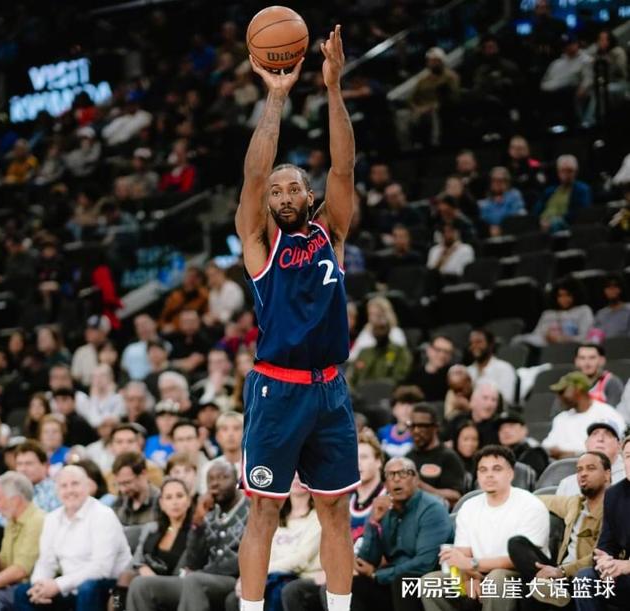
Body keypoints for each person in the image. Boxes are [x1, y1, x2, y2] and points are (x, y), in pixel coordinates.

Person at [235, 25, 360, 611]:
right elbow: (253, 175)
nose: (283, 195)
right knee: (264, 509)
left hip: (330, 389)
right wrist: (276, 97)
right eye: (277, 191)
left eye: (294, 189)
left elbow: (344, 168)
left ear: (309, 198)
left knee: (335, 509)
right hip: (277, 390)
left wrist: (332, 88)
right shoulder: (259, 244)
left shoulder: (330, 231)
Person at [420, 446, 550, 611]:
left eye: (497, 469)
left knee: (496, 579)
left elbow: (519, 559)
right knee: (430, 582)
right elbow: (462, 554)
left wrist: (472, 565)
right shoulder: (469, 506)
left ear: (511, 473)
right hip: (476, 572)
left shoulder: (530, 505)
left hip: (521, 576)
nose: (489, 475)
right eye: (483, 470)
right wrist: (469, 577)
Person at [126, 462, 249, 611]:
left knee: (194, 580)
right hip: (201, 578)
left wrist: (206, 571)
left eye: (223, 477)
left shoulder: (250, 511)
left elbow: (245, 559)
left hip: (235, 579)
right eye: (211, 479)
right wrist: (197, 522)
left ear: (237, 480)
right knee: (141, 585)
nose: (216, 483)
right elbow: (193, 561)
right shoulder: (209, 514)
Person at [14, 466, 131, 610]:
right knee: (23, 592)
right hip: (70, 588)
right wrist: (39, 585)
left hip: (111, 588)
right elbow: (46, 562)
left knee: (88, 588)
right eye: (64, 486)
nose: (69, 490)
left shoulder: (103, 515)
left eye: (75, 484)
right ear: (57, 491)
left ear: (87, 486)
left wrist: (58, 585)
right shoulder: (52, 519)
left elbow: (101, 569)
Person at [508, 451, 610, 608]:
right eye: (579, 470)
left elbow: (602, 555)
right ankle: (551, 589)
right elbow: (538, 499)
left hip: (583, 577)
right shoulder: (575, 503)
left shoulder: (613, 508)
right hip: (558, 574)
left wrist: (562, 571)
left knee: (530, 591)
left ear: (607, 474)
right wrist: (508, 497)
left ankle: (556, 593)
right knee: (517, 543)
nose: (583, 474)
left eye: (591, 468)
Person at [352, 457, 453, 611]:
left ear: (416, 479)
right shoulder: (384, 509)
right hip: (391, 581)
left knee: (403, 582)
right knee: (354, 585)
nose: (396, 479)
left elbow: (425, 564)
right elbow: (367, 560)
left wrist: (377, 575)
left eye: (403, 473)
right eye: (391, 475)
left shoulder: (432, 509)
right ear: (386, 484)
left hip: (426, 581)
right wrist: (373, 522)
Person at [225, 474, 322, 611]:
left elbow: (301, 559)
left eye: (301, 472)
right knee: (234, 599)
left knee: (281, 592)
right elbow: (263, 551)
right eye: (293, 472)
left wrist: (260, 571)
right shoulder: (275, 516)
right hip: (271, 576)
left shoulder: (319, 517)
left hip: (301, 578)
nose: (296, 477)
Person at [111, 477, 192, 610]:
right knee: (124, 578)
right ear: (162, 503)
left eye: (179, 496)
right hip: (143, 580)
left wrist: (153, 580)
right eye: (169, 497)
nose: (175, 502)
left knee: (139, 584)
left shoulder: (194, 533)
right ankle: (116, 607)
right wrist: (142, 568)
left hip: (174, 584)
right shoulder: (151, 529)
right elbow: (135, 562)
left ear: (188, 500)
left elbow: (185, 573)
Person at [0, 472, 45, 611]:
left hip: (32, 588)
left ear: (15, 500)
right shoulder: (11, 522)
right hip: (12, 586)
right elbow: (0, 571)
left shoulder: (37, 521)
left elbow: (21, 571)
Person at [574, 435, 630, 610]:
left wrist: (627, 565)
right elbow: (606, 544)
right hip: (625, 577)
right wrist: (605, 562)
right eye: (628, 456)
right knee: (585, 579)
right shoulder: (614, 494)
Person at [543, 372, 626, 459]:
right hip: (562, 465)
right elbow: (547, 447)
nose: (559, 397)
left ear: (578, 389)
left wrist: (573, 454)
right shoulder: (561, 418)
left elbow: (616, 448)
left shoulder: (607, 414)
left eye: (562, 392)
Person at [407, 404, 466, 508]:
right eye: (412, 426)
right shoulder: (408, 457)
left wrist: (420, 486)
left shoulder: (448, 457)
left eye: (422, 426)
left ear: (435, 428)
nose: (416, 431)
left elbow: (456, 497)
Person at [516, 279, 594, 348]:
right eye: (560, 296)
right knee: (518, 340)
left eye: (568, 295)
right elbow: (536, 335)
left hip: (572, 348)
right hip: (546, 348)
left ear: (576, 295)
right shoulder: (547, 314)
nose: (564, 299)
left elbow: (585, 337)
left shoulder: (584, 310)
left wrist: (561, 339)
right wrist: (547, 337)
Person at [557, 420, 626, 495]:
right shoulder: (567, 485)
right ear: (586, 443)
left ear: (619, 445)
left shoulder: (627, 477)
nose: (600, 439)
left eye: (608, 434)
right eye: (595, 434)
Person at [534, 155, 592, 232]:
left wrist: (552, 222)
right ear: (558, 172)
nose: (566, 174)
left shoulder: (582, 189)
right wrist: (540, 220)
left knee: (556, 223)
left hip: (565, 225)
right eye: (563, 171)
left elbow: (580, 213)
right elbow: (537, 210)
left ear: (576, 172)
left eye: (570, 171)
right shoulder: (550, 190)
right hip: (542, 223)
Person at [350, 432, 385, 550]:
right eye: (354, 457)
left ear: (378, 461)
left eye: (364, 457)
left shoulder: (390, 499)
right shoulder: (345, 501)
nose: (358, 463)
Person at [466, 329, 516, 405]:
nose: (474, 346)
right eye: (471, 343)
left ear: (490, 344)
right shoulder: (467, 371)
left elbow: (506, 400)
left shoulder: (504, 368)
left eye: (478, 342)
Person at [111, 452, 160, 526]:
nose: (123, 490)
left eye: (127, 482)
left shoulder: (161, 502)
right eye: (119, 484)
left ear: (143, 474)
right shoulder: (118, 503)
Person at [497, 410, 549, 478]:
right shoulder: (498, 456)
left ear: (524, 429)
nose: (506, 431)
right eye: (501, 428)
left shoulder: (534, 453)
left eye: (511, 426)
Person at [376, 386, 423, 459]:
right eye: (402, 404)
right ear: (393, 408)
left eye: (411, 404)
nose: (406, 409)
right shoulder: (382, 432)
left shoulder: (421, 433)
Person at [14, 441, 61, 512]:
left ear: (45, 466)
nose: (23, 469)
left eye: (29, 463)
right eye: (19, 464)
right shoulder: (11, 492)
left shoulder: (56, 491)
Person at [479, 167, 526, 236]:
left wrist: (499, 225)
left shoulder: (514, 195)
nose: (497, 183)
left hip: (513, 231)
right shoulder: (484, 202)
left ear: (507, 182)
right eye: (494, 180)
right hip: (493, 234)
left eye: (501, 180)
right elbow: (485, 219)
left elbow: (514, 215)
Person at [406, 335, 453, 401]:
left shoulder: (453, 378)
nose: (442, 355)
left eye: (447, 352)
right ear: (429, 350)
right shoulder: (414, 375)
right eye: (438, 350)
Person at [592, 275, 630, 340]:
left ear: (621, 289)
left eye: (615, 286)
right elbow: (594, 339)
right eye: (608, 287)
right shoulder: (600, 314)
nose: (612, 290)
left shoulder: (628, 309)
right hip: (605, 345)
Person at [144, 399, 180, 467]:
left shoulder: (183, 442)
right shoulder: (147, 442)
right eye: (162, 416)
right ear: (156, 420)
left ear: (178, 419)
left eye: (171, 415)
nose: (166, 420)